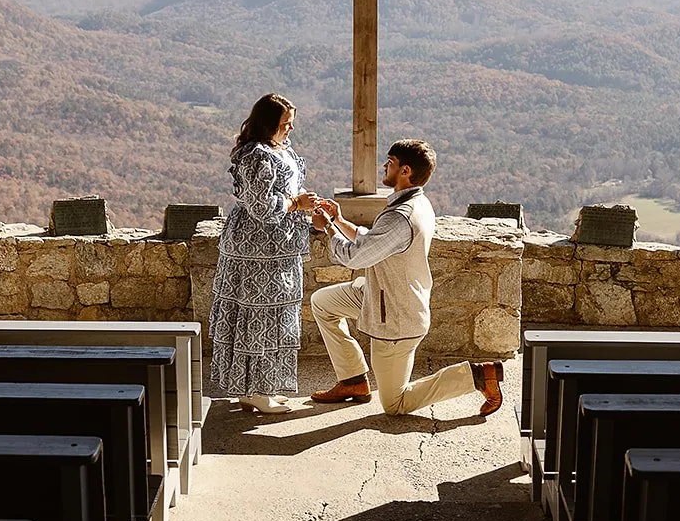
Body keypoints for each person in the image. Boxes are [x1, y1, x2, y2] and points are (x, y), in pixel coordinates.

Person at [307, 138, 505, 417]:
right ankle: (353, 380)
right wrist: (339, 220)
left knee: (395, 404)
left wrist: (326, 228)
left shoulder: (401, 216)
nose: (384, 166)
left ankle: (477, 376)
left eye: (390, 162)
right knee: (323, 302)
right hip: (377, 295)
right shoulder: (416, 202)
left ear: (405, 171)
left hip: (396, 316)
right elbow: (374, 243)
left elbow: (354, 257)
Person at [209, 93, 320, 414]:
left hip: (279, 247)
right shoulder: (257, 156)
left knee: (274, 317)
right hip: (257, 250)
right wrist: (297, 204)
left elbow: (281, 194)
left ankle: (263, 385)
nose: (290, 130)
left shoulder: (278, 150)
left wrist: (304, 203)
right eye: (285, 124)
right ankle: (254, 389)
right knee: (258, 317)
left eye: (291, 124)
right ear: (268, 123)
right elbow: (261, 206)